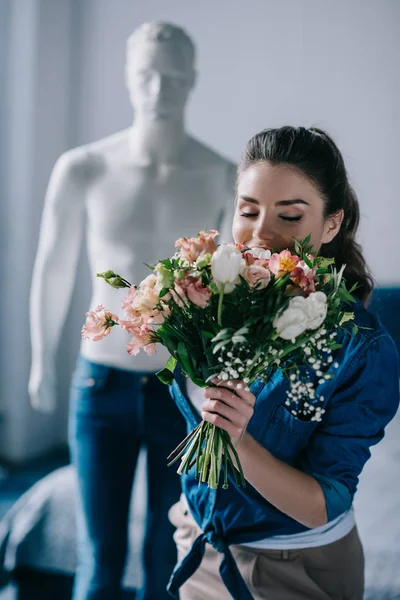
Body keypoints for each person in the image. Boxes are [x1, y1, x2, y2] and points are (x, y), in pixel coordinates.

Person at [28, 22, 236, 600]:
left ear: (191, 81)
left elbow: (230, 285)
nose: (158, 90)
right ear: (127, 76)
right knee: (101, 559)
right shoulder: (84, 168)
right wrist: (42, 360)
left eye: (172, 77)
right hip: (99, 383)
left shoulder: (220, 174)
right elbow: (52, 268)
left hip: (179, 389)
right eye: (146, 74)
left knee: (167, 555)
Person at [167, 126, 400, 600]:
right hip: (200, 538)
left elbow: (323, 506)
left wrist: (239, 442)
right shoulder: (212, 298)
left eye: (289, 216)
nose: (260, 234)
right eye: (248, 210)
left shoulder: (363, 347)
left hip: (294, 566)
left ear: (332, 224)